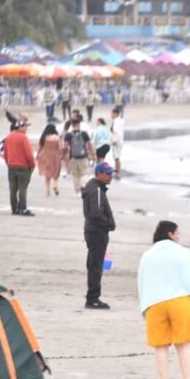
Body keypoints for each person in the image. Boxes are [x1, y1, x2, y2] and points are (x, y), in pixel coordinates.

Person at [138, 221, 190, 379]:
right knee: (184, 345)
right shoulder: (183, 253)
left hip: (155, 303)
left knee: (160, 346)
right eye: (177, 233)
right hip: (180, 302)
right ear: (170, 234)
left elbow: (142, 282)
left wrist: (145, 307)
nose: (179, 236)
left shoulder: (148, 255)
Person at [82, 162, 116, 310]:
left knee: (93, 264)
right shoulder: (96, 189)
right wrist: (108, 223)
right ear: (99, 173)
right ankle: (93, 298)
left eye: (111, 173)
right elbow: (95, 213)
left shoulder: (95, 188)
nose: (111, 176)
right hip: (96, 232)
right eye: (108, 173)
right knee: (95, 265)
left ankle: (93, 297)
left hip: (93, 231)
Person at [3, 119, 35, 216]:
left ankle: (14, 208)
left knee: (13, 188)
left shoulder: (8, 137)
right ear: (20, 127)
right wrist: (32, 164)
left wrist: (8, 162)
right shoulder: (23, 137)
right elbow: (28, 153)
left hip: (11, 166)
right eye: (25, 126)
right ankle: (23, 208)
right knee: (22, 188)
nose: (26, 129)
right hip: (23, 166)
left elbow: (5, 153)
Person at [63, 119, 94, 193]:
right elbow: (90, 145)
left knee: (75, 174)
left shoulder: (68, 135)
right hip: (83, 157)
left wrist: (63, 154)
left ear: (72, 125)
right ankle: (83, 186)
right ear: (79, 124)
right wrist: (93, 155)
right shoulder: (84, 134)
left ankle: (78, 190)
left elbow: (65, 147)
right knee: (85, 173)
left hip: (73, 157)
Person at [35, 124, 62, 197]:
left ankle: (47, 192)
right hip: (55, 156)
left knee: (47, 174)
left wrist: (37, 156)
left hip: (45, 156)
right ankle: (55, 185)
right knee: (56, 172)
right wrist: (61, 156)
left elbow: (40, 147)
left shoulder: (43, 137)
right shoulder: (57, 138)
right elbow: (60, 148)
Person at [110, 107, 124, 178]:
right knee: (116, 157)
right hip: (120, 141)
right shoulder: (121, 120)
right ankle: (117, 172)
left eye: (112, 113)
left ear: (115, 114)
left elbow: (116, 132)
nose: (111, 115)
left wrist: (114, 141)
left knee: (116, 158)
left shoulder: (116, 121)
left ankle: (117, 172)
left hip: (116, 142)